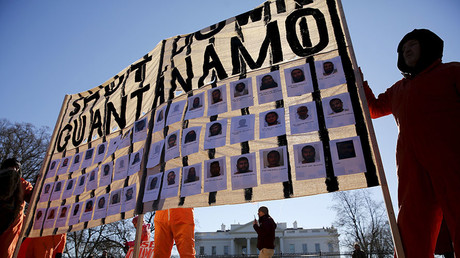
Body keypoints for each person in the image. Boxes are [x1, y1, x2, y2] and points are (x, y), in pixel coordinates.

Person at [362, 29, 460, 257]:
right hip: (411, 169)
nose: (407, 50)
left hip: (452, 160)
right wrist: (358, 79)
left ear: (428, 47)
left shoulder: (452, 71)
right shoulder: (398, 88)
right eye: (403, 48)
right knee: (411, 228)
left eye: (413, 45)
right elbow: (374, 109)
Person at [0, 158, 33, 258]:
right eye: (11, 167)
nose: (12, 170)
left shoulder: (23, 184)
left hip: (11, 229)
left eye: (15, 168)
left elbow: (33, 198)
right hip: (10, 229)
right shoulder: (22, 184)